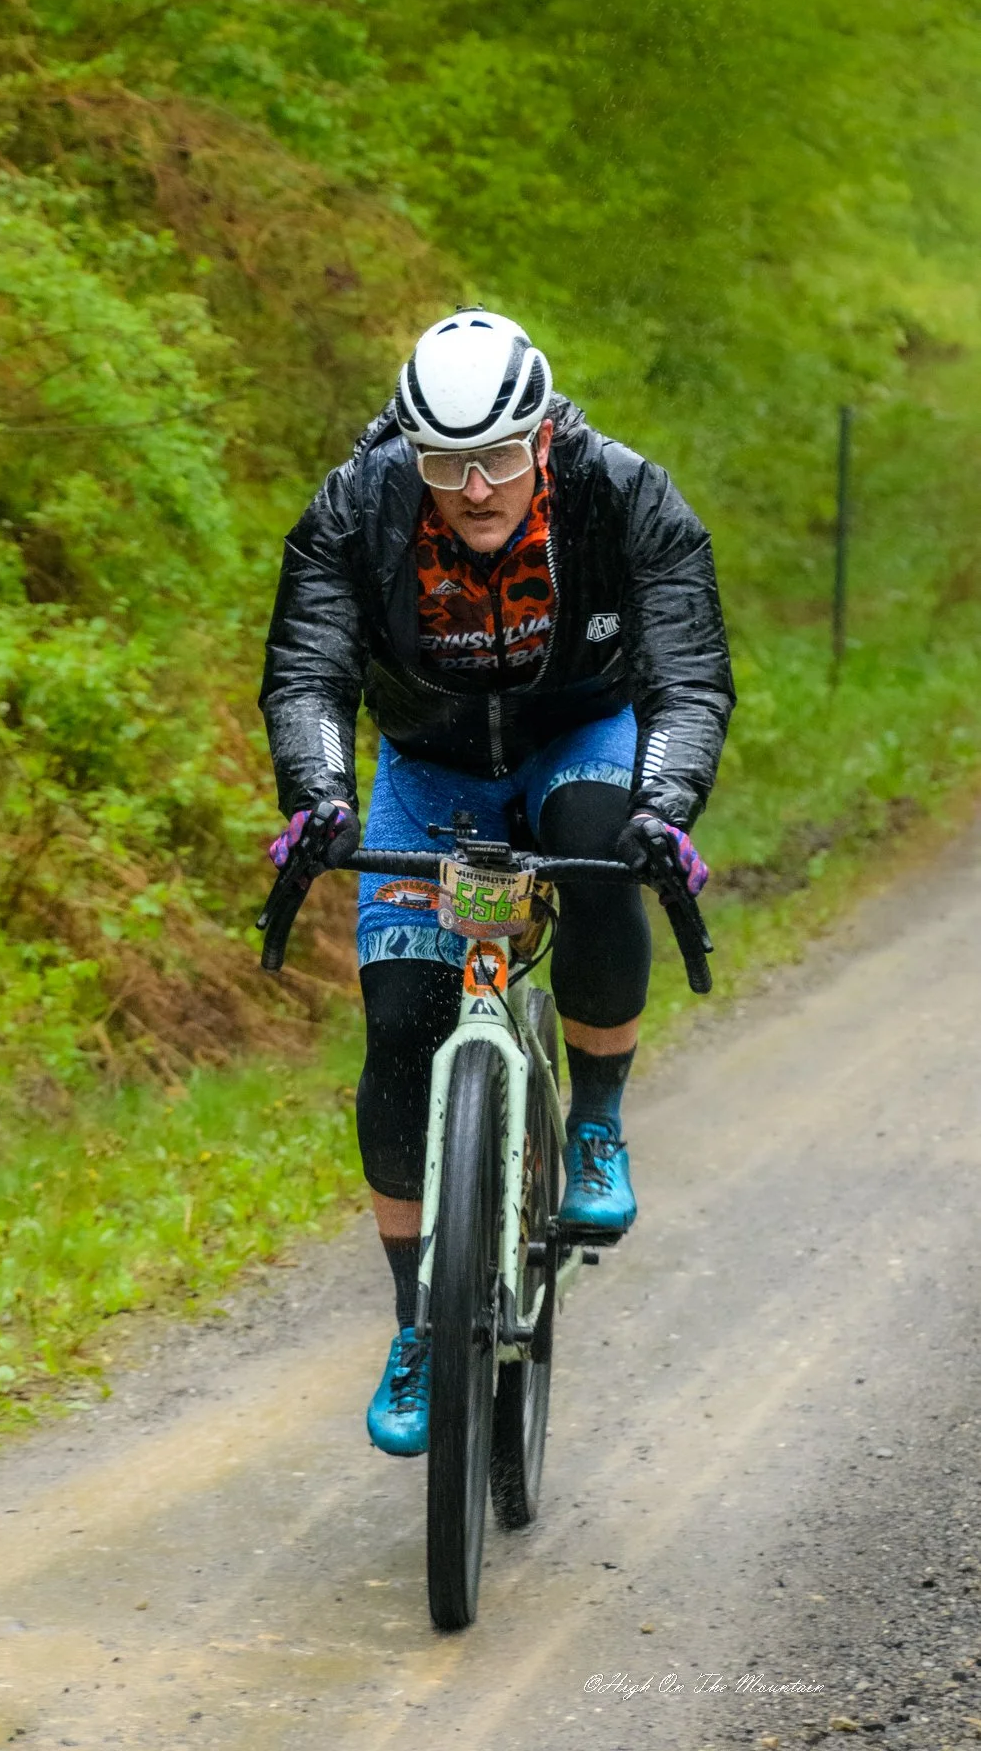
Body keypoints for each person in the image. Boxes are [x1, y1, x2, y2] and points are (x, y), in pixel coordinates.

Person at [260, 307, 734, 1456]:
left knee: (596, 832)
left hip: (581, 731)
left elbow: (688, 674)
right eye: (441, 462)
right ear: (406, 452)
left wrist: (661, 808)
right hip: (428, 769)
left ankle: (599, 1127)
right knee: (401, 1034)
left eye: (497, 457)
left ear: (543, 432)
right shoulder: (352, 505)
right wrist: (319, 791)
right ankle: (419, 1320)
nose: (472, 489)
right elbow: (307, 669)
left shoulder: (624, 494)